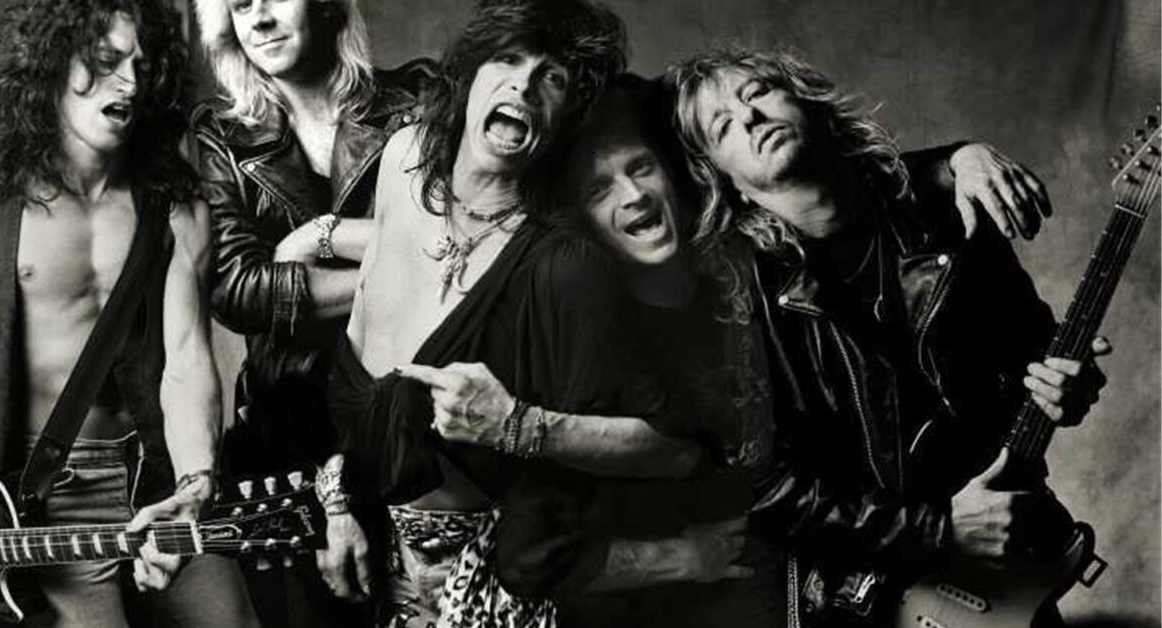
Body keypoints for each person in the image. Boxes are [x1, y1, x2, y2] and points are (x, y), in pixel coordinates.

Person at [398, 74, 1102, 628]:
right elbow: (531, 555)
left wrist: (955, 163)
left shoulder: (744, 274)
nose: (634, 195)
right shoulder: (601, 331)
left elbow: (832, 186)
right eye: (600, 190)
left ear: (685, 177)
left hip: (883, 584)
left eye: (643, 168)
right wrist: (675, 559)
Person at [666, 48, 1110, 626]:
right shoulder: (737, 306)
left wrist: (1064, 388)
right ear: (730, 184)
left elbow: (1028, 353)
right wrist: (937, 530)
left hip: (1002, 585)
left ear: (810, 102)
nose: (750, 118)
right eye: (723, 126)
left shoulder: (949, 214)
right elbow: (761, 486)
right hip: (865, 599)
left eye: (758, 94)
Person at [323, 1, 725, 625]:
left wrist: (518, 425)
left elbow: (674, 450)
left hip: (492, 596)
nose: (524, 85)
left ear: (566, 118)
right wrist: (338, 504)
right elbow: (361, 368)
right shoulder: (403, 161)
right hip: (378, 573)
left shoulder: (561, 266)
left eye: (552, 78)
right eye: (507, 59)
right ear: (470, 75)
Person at [0, 1, 258, 627]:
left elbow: (186, 361)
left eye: (141, 67)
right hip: (36, 496)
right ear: (48, 62)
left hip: (155, 469)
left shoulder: (178, 204)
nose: (128, 82)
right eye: (105, 60)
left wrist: (195, 484)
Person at [190, 0, 434, 625]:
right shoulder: (223, 139)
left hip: (414, 416)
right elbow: (238, 289)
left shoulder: (418, 99)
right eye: (239, 5)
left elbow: (468, 233)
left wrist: (319, 237)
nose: (259, 18)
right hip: (287, 442)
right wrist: (409, 271)